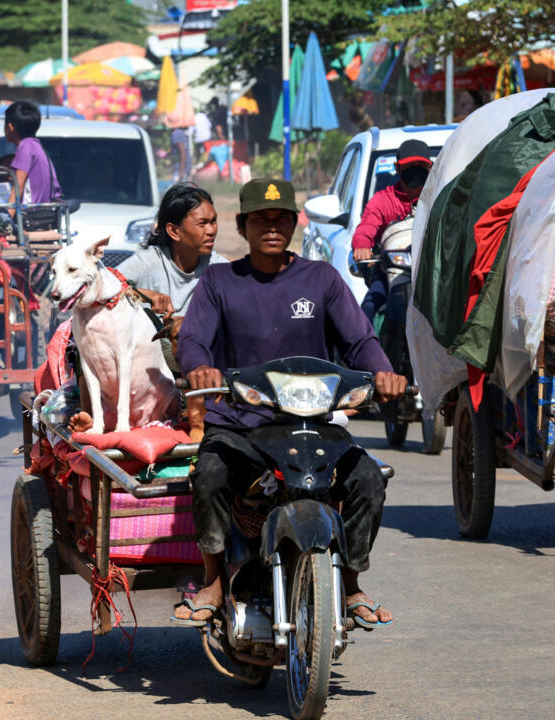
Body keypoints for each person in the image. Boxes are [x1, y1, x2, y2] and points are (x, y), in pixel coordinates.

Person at [174, 178, 407, 627]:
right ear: (243, 226)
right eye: (261, 220)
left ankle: (353, 583)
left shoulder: (322, 279)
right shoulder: (220, 281)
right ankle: (213, 580)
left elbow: (359, 340)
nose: (272, 228)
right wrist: (200, 368)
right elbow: (194, 340)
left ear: (295, 224)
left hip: (312, 424)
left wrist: (382, 372)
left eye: (281, 219)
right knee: (209, 472)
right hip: (241, 425)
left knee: (367, 480)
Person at [350, 139, 433, 320]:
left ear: (430, 167)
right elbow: (366, 228)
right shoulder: (382, 200)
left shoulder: (439, 198)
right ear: (397, 169)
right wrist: (362, 246)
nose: (415, 170)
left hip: (433, 273)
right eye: (410, 166)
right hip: (389, 273)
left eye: (421, 165)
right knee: (367, 310)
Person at [118, 182, 227, 319]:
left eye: (213, 221)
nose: (211, 230)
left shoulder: (218, 269)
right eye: (202, 223)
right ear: (174, 231)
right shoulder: (148, 262)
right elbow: (102, 288)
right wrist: (142, 294)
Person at [4, 100, 62, 205]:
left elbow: (19, 186)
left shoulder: (25, 147)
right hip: (44, 213)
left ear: (10, 127)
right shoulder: (36, 146)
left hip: (32, 214)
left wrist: (7, 219)